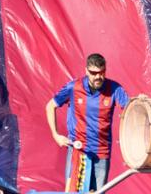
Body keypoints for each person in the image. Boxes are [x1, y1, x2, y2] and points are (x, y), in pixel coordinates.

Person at [46, 53, 129, 192]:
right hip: (78, 151)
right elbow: (50, 106)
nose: (98, 77)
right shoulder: (73, 87)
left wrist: (140, 102)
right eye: (94, 73)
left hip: (101, 153)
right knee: (74, 192)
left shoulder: (115, 89)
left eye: (101, 72)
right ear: (86, 71)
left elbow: (131, 108)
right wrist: (56, 135)